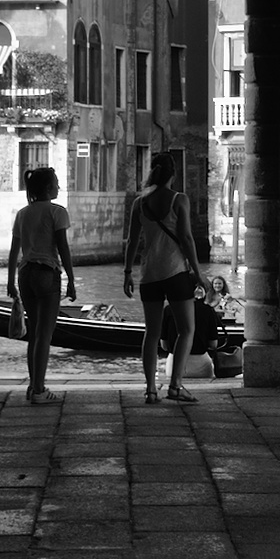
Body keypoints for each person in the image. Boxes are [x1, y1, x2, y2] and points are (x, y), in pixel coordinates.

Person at [123, 151, 205, 404]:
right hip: (176, 272)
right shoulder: (179, 199)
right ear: (173, 173)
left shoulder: (140, 203)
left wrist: (127, 272)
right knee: (187, 329)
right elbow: (187, 239)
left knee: (152, 332)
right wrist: (199, 274)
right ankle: (176, 387)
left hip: (150, 275)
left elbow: (132, 241)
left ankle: (149, 389)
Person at [6, 165, 75, 404]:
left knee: (34, 334)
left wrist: (9, 281)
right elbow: (63, 248)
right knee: (45, 336)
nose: (59, 186)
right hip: (47, 274)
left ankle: (33, 384)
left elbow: (14, 251)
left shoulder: (22, 214)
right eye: (56, 182)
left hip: (25, 274)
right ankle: (39, 390)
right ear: (48, 188)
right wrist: (72, 280)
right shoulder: (58, 212)